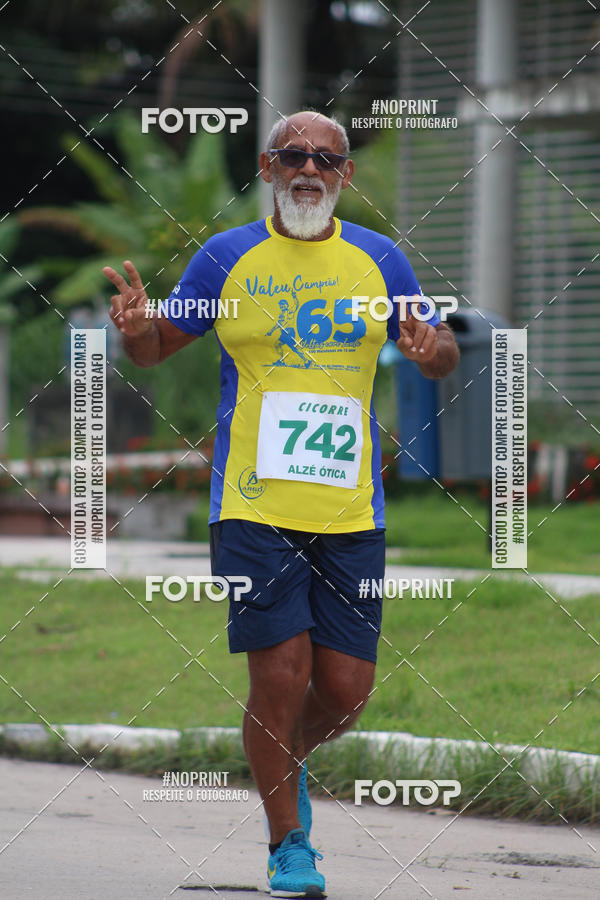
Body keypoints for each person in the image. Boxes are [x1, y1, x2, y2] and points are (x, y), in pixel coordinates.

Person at [103, 110, 459, 898]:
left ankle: (281, 764)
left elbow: (435, 349)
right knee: (280, 678)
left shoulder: (380, 260)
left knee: (345, 690)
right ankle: (288, 844)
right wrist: (134, 332)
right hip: (252, 505)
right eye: (292, 156)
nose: (308, 169)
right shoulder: (227, 259)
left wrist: (435, 352)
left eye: (324, 159)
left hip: (351, 514)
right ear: (267, 167)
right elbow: (160, 345)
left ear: (345, 175)